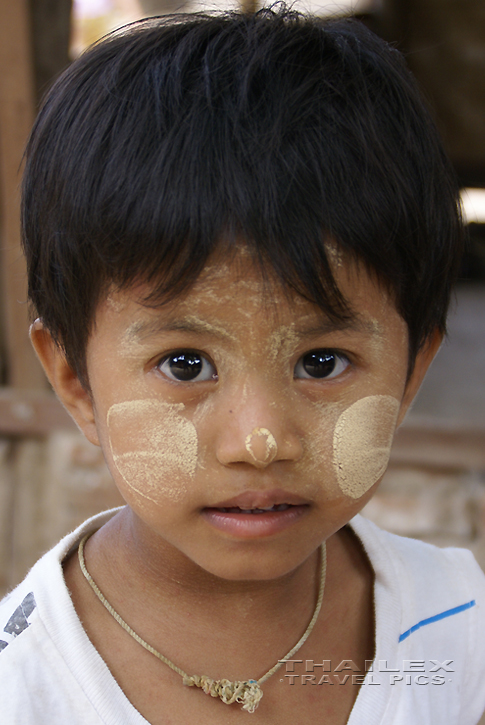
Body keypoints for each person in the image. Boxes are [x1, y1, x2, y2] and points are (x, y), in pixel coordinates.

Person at [1, 6, 484, 724]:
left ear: (411, 370)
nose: (260, 441)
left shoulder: (454, 628)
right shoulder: (22, 688)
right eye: (185, 363)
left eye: (321, 362)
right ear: (75, 382)